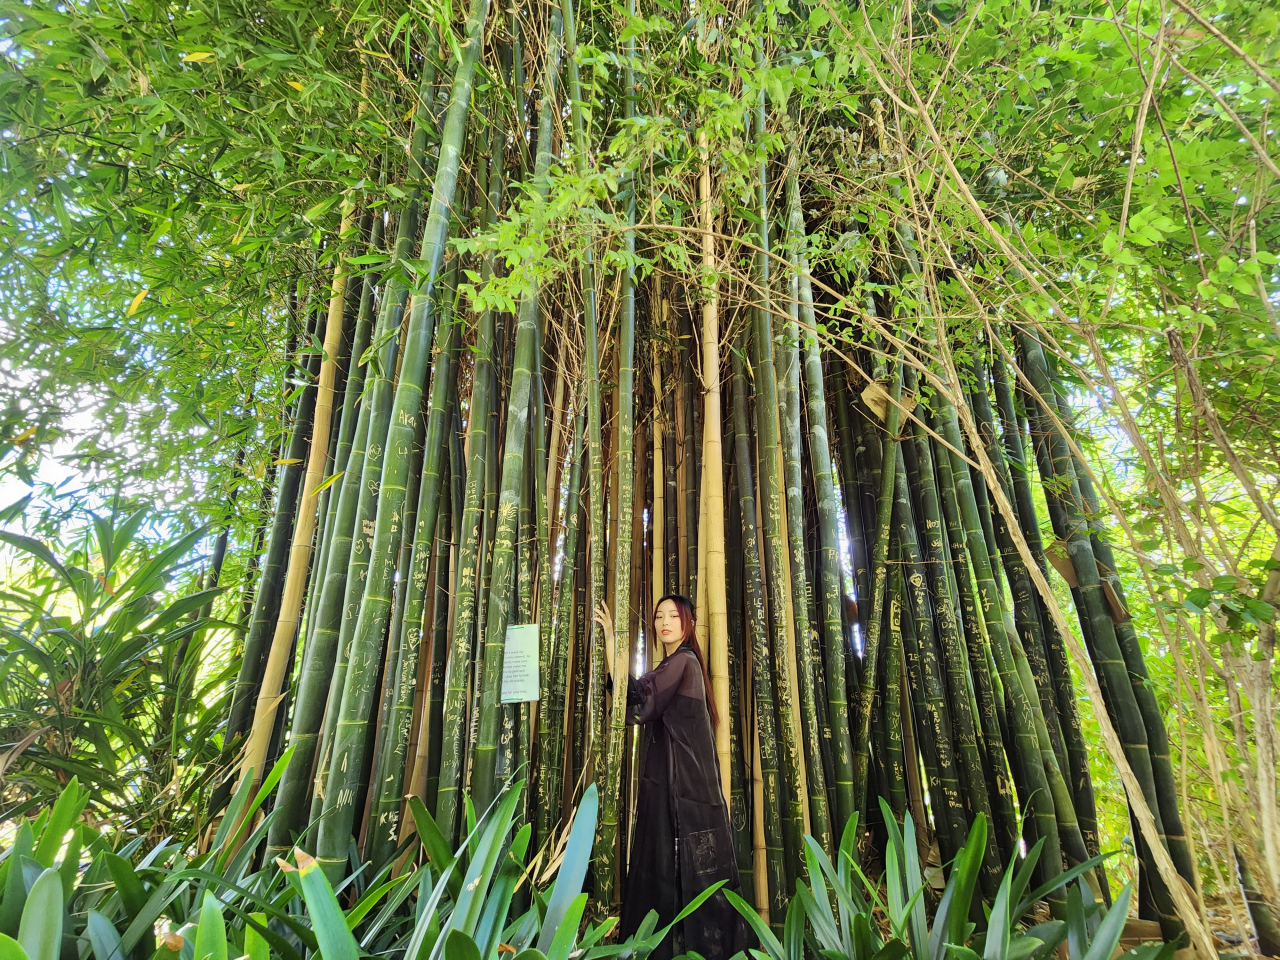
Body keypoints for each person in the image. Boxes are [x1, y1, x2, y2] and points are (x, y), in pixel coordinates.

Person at [594, 594, 748, 960]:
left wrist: (614, 642)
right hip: (684, 785)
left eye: (673, 616)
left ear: (687, 622)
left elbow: (639, 698)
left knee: (686, 867)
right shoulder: (677, 664)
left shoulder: (683, 662)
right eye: (659, 615)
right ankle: (680, 946)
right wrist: (611, 645)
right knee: (679, 866)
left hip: (685, 787)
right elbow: (636, 696)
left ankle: (687, 948)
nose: (664, 622)